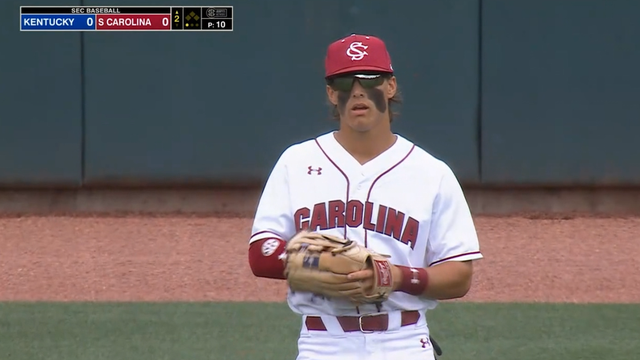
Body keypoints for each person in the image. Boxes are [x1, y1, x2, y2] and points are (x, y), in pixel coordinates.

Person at [247, 33, 483, 360]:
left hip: (403, 341)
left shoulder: (432, 172)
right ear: (331, 94)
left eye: (369, 78)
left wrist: (396, 276)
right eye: (344, 82)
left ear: (390, 86)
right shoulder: (296, 163)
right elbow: (261, 253)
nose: (357, 90)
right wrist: (321, 265)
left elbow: (459, 276)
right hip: (322, 344)